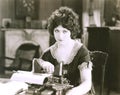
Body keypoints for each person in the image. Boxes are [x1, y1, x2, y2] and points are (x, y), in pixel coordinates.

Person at [33, 7, 93, 95]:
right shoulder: (48, 53)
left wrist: (71, 93)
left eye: (64, 31)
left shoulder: (81, 51)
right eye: (56, 31)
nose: (60, 36)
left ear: (71, 31)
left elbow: (87, 83)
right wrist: (43, 64)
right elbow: (36, 75)